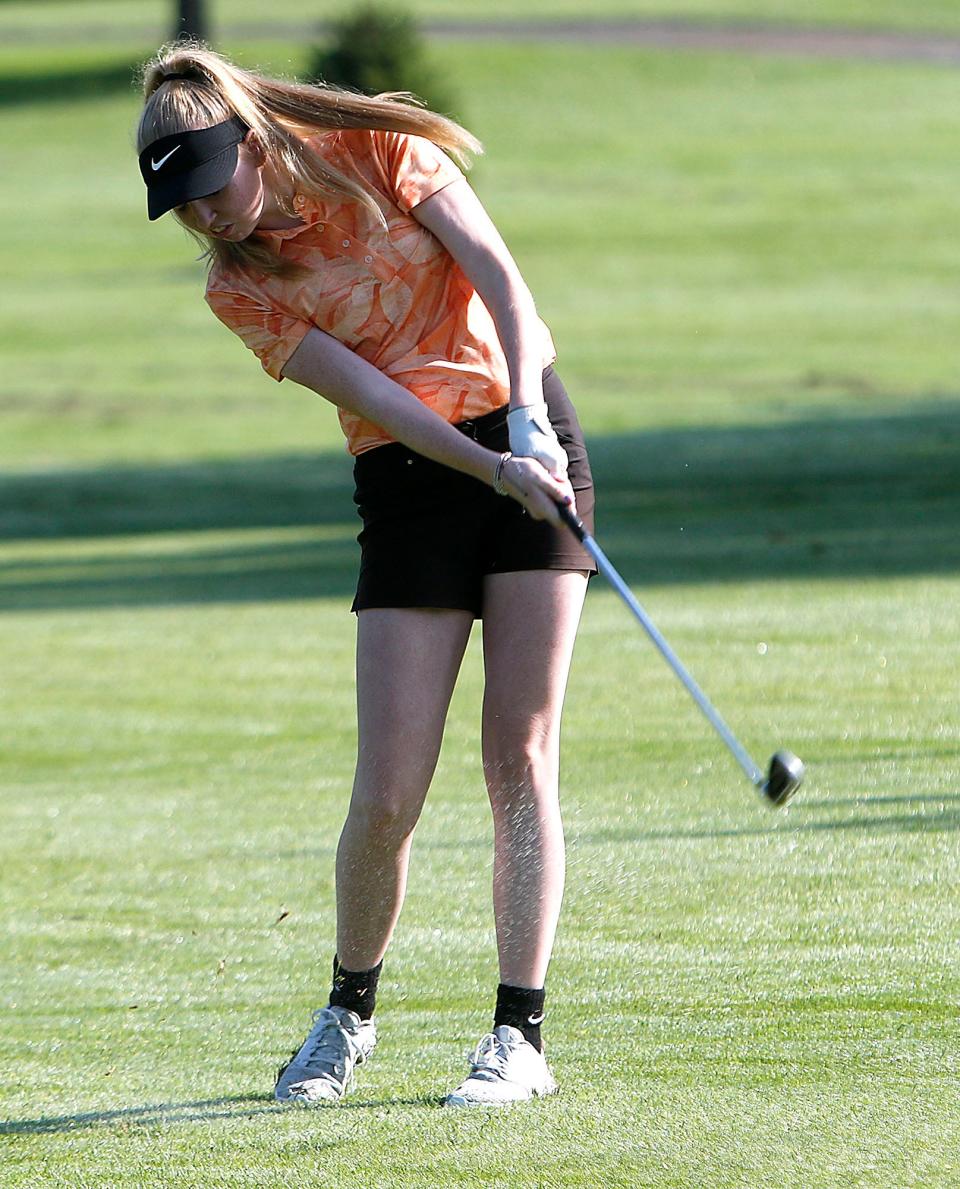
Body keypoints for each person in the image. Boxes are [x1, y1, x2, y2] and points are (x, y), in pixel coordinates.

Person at [135, 42, 596, 1108]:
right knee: (388, 789)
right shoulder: (235, 290)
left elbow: (505, 284)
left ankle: (518, 1038)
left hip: (529, 428)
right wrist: (488, 466)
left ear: (249, 143)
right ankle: (347, 1016)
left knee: (519, 754)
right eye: (184, 209)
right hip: (411, 476)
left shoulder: (380, 153)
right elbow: (381, 403)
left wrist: (525, 416)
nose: (209, 220)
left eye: (212, 189)